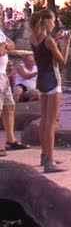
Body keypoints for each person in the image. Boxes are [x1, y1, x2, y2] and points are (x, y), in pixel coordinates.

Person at [29, 9, 71, 173]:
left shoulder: (35, 38)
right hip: (53, 81)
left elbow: (45, 52)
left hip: (41, 80)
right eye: (53, 20)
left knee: (44, 120)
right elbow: (63, 62)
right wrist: (66, 43)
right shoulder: (49, 41)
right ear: (47, 21)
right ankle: (50, 162)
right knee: (50, 123)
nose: (55, 23)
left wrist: (56, 39)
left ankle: (44, 156)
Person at [0, 29, 29, 157]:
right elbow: (1, 51)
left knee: (9, 106)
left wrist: (5, 46)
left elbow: (11, 44)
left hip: (3, 75)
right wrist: (4, 47)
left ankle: (10, 140)